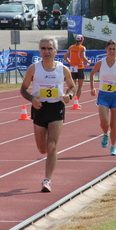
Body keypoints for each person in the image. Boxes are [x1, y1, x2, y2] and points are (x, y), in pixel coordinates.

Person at [20, 36, 76, 193]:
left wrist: (69, 96)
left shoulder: (62, 69)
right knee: (42, 148)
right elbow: (23, 89)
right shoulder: (34, 68)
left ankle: (47, 180)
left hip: (56, 108)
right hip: (39, 108)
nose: (46, 51)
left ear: (56, 51)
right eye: (43, 48)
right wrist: (32, 99)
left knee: (52, 146)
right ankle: (47, 173)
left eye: (49, 48)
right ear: (39, 50)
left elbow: (72, 86)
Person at [90, 39, 116, 156]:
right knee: (104, 122)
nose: (112, 51)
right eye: (110, 49)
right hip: (103, 95)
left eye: (114, 49)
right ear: (106, 50)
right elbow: (92, 73)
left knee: (113, 124)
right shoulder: (101, 62)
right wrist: (93, 88)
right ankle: (105, 134)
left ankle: (113, 146)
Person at [64, 35, 91, 106]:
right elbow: (83, 56)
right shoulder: (82, 48)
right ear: (82, 40)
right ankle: (76, 102)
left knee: (72, 85)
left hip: (73, 67)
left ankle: (69, 94)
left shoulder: (71, 47)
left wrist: (71, 62)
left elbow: (65, 57)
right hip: (80, 67)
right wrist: (88, 61)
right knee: (80, 86)